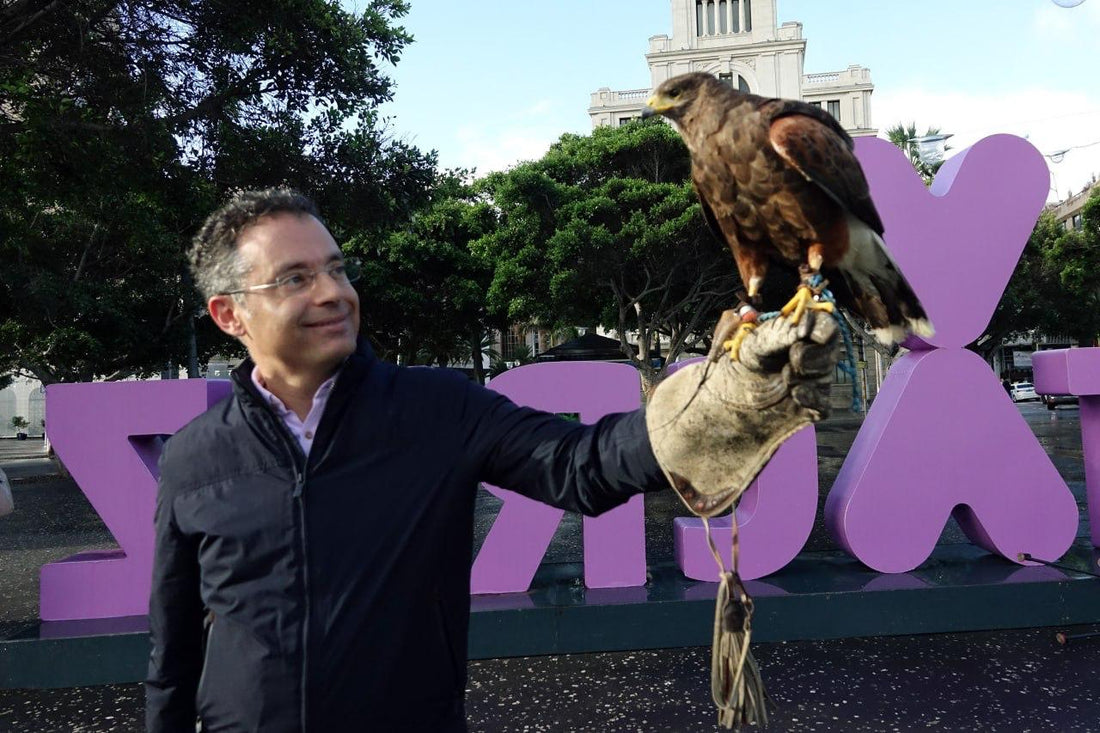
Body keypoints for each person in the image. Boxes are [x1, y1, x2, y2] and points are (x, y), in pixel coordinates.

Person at [146, 188, 836, 732]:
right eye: (295, 277)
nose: (332, 291)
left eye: (335, 268)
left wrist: (714, 409)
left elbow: (580, 464)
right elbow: (174, 659)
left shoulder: (437, 407)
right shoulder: (194, 456)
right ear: (229, 314)